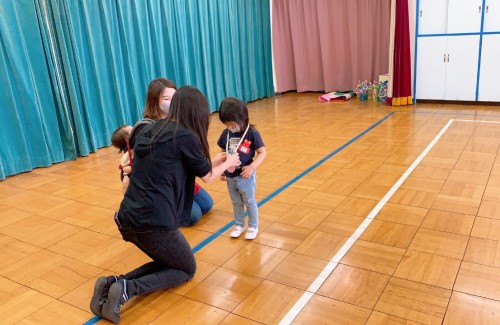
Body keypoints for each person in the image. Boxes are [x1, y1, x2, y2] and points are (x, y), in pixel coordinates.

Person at [90, 86, 241, 323]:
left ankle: (112, 285)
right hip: (154, 222)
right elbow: (208, 177)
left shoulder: (154, 129)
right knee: (186, 269)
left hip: (128, 218)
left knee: (168, 262)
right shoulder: (186, 135)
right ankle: (128, 288)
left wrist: (215, 161)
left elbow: (185, 166)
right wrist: (230, 160)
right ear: (197, 112)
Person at [127, 78, 214, 225]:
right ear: (154, 101)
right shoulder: (146, 128)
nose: (173, 102)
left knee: (207, 204)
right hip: (161, 185)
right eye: (167, 98)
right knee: (193, 216)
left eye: (175, 97)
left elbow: (188, 160)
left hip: (181, 178)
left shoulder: (179, 123)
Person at [217, 97, 266, 240]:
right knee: (236, 202)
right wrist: (221, 168)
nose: (231, 127)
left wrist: (252, 167)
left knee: (249, 201)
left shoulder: (252, 133)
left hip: (246, 176)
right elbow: (222, 153)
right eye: (227, 125)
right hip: (230, 177)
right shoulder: (226, 134)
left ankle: (253, 225)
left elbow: (262, 152)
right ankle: (239, 224)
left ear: (243, 118)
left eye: (232, 124)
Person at [111, 125, 133, 194]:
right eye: (132, 131)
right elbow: (125, 169)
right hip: (131, 177)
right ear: (127, 139)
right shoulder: (127, 155)